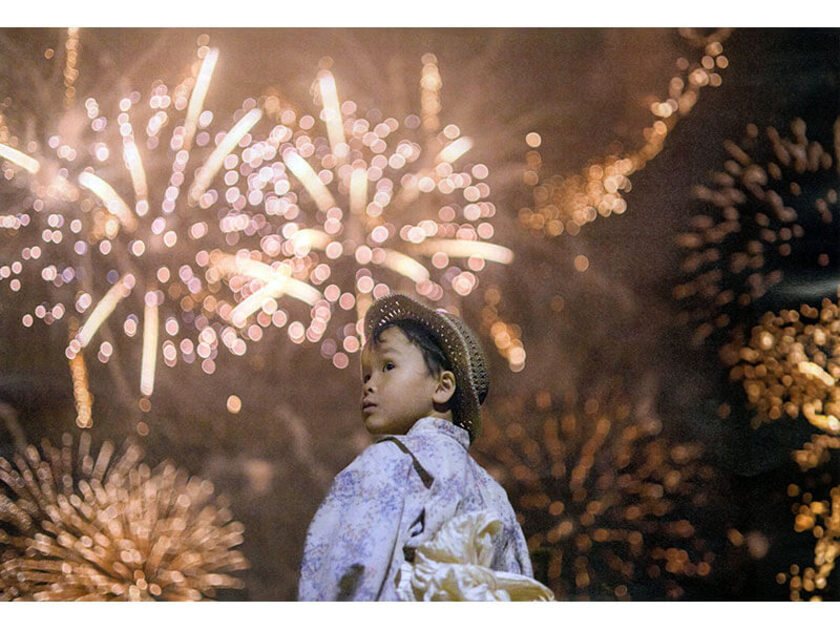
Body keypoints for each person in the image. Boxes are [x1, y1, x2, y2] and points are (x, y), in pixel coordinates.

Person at [298, 292, 552, 601]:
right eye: (366, 374)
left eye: (388, 366)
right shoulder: (494, 494)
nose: (368, 384)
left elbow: (347, 573)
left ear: (443, 386)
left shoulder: (385, 463)